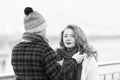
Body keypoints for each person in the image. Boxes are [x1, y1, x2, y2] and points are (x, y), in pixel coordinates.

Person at [11, 7, 84, 80]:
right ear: (41, 29)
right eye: (45, 28)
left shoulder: (15, 50)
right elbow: (59, 76)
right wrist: (74, 61)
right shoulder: (45, 50)